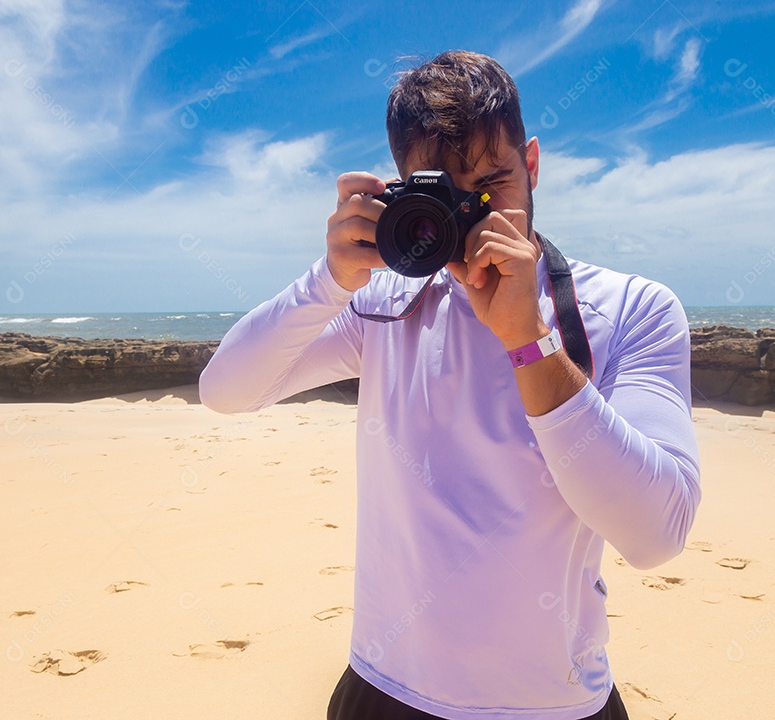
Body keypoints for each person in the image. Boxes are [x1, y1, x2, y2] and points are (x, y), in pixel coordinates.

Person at [198, 50, 700, 720]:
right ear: (403, 193)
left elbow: (656, 533)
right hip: (386, 686)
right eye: (445, 197)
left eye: (492, 186)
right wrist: (328, 280)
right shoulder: (384, 308)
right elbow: (225, 390)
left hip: (552, 704)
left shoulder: (632, 310)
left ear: (534, 164)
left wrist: (531, 343)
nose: (473, 216)